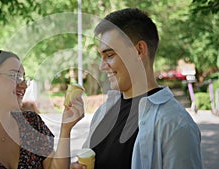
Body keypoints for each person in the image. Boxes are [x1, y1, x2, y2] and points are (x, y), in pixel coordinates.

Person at [71, 8, 203, 169]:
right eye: (101, 57)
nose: (101, 66)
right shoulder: (103, 112)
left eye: (110, 55)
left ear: (139, 50)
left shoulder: (176, 124)